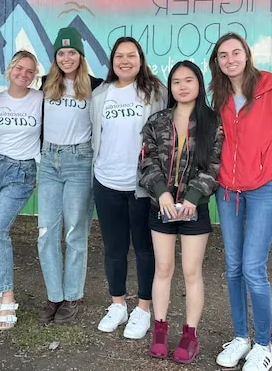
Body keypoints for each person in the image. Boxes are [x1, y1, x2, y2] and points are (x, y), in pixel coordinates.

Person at [209, 32, 272, 371]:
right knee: (233, 266)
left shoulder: (270, 89)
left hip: (265, 187)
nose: (230, 59)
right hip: (229, 189)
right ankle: (240, 337)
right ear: (217, 62)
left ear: (247, 56)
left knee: (252, 267)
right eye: (223, 55)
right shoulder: (218, 96)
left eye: (236, 53)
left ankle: (263, 344)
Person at [138, 61, 223, 363]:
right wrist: (160, 191)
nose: (182, 86)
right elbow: (146, 161)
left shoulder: (213, 122)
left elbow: (215, 163)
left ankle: (190, 335)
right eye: (176, 82)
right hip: (160, 207)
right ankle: (159, 330)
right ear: (170, 88)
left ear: (199, 84)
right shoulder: (157, 121)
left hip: (193, 210)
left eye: (189, 80)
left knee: (190, 271)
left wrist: (194, 195)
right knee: (163, 269)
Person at [91, 36, 167, 339]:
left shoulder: (156, 92)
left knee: (144, 249)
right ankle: (118, 303)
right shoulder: (101, 95)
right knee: (114, 248)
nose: (125, 61)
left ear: (141, 59)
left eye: (131, 55)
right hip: (106, 181)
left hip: (143, 186)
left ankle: (143, 308)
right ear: (112, 61)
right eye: (119, 56)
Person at [37, 27, 102, 324]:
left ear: (81, 55)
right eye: (61, 53)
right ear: (55, 57)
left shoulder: (95, 87)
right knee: (47, 232)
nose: (66, 58)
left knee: (75, 231)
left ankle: (72, 294)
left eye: (72, 52)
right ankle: (54, 294)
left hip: (80, 161)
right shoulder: (44, 86)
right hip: (50, 161)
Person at [0, 50, 43, 330]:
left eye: (30, 71)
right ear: (9, 70)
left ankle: (7, 296)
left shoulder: (40, 101)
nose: (24, 74)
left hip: (22, 172)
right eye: (20, 68)